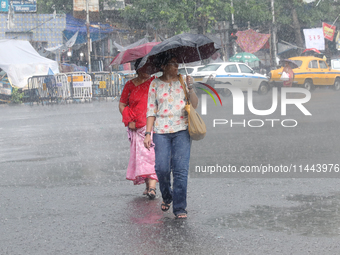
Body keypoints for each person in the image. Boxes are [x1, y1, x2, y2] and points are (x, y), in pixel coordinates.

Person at [143, 54, 198, 219]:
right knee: (162, 168)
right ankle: (167, 196)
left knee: (180, 171)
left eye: (177, 63)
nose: (176, 67)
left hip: (182, 130)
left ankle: (180, 207)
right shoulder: (155, 84)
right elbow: (151, 110)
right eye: (173, 64)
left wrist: (191, 88)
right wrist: (147, 133)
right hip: (161, 132)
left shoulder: (183, 81)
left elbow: (194, 105)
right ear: (164, 66)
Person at [119, 58, 158, 199]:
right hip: (136, 127)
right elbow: (122, 104)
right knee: (142, 158)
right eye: (145, 68)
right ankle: (148, 186)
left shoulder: (154, 83)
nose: (148, 71)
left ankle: (152, 187)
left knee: (151, 156)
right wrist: (128, 119)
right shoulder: (130, 85)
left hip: (152, 126)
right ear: (139, 69)